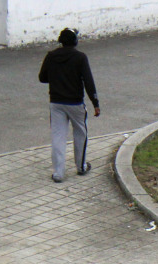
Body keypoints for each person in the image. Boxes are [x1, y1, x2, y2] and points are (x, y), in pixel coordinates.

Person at [38, 28, 101, 182]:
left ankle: (58, 173)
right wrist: (95, 103)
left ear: (60, 41)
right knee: (80, 134)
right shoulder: (80, 57)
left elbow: (42, 77)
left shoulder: (51, 56)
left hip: (56, 103)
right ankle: (81, 167)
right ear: (75, 41)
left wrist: (56, 78)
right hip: (76, 103)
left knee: (58, 137)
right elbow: (88, 82)